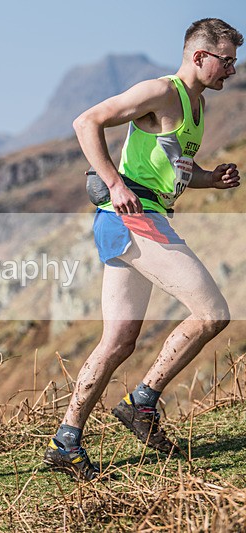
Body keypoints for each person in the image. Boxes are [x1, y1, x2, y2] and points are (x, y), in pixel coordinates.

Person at [44, 18, 242, 481]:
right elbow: (85, 121)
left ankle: (66, 441)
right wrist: (113, 183)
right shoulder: (162, 91)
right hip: (134, 220)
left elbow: (173, 169)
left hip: (138, 219)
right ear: (199, 56)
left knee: (118, 342)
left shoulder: (194, 104)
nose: (232, 70)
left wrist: (211, 178)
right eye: (226, 60)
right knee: (213, 313)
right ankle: (143, 401)